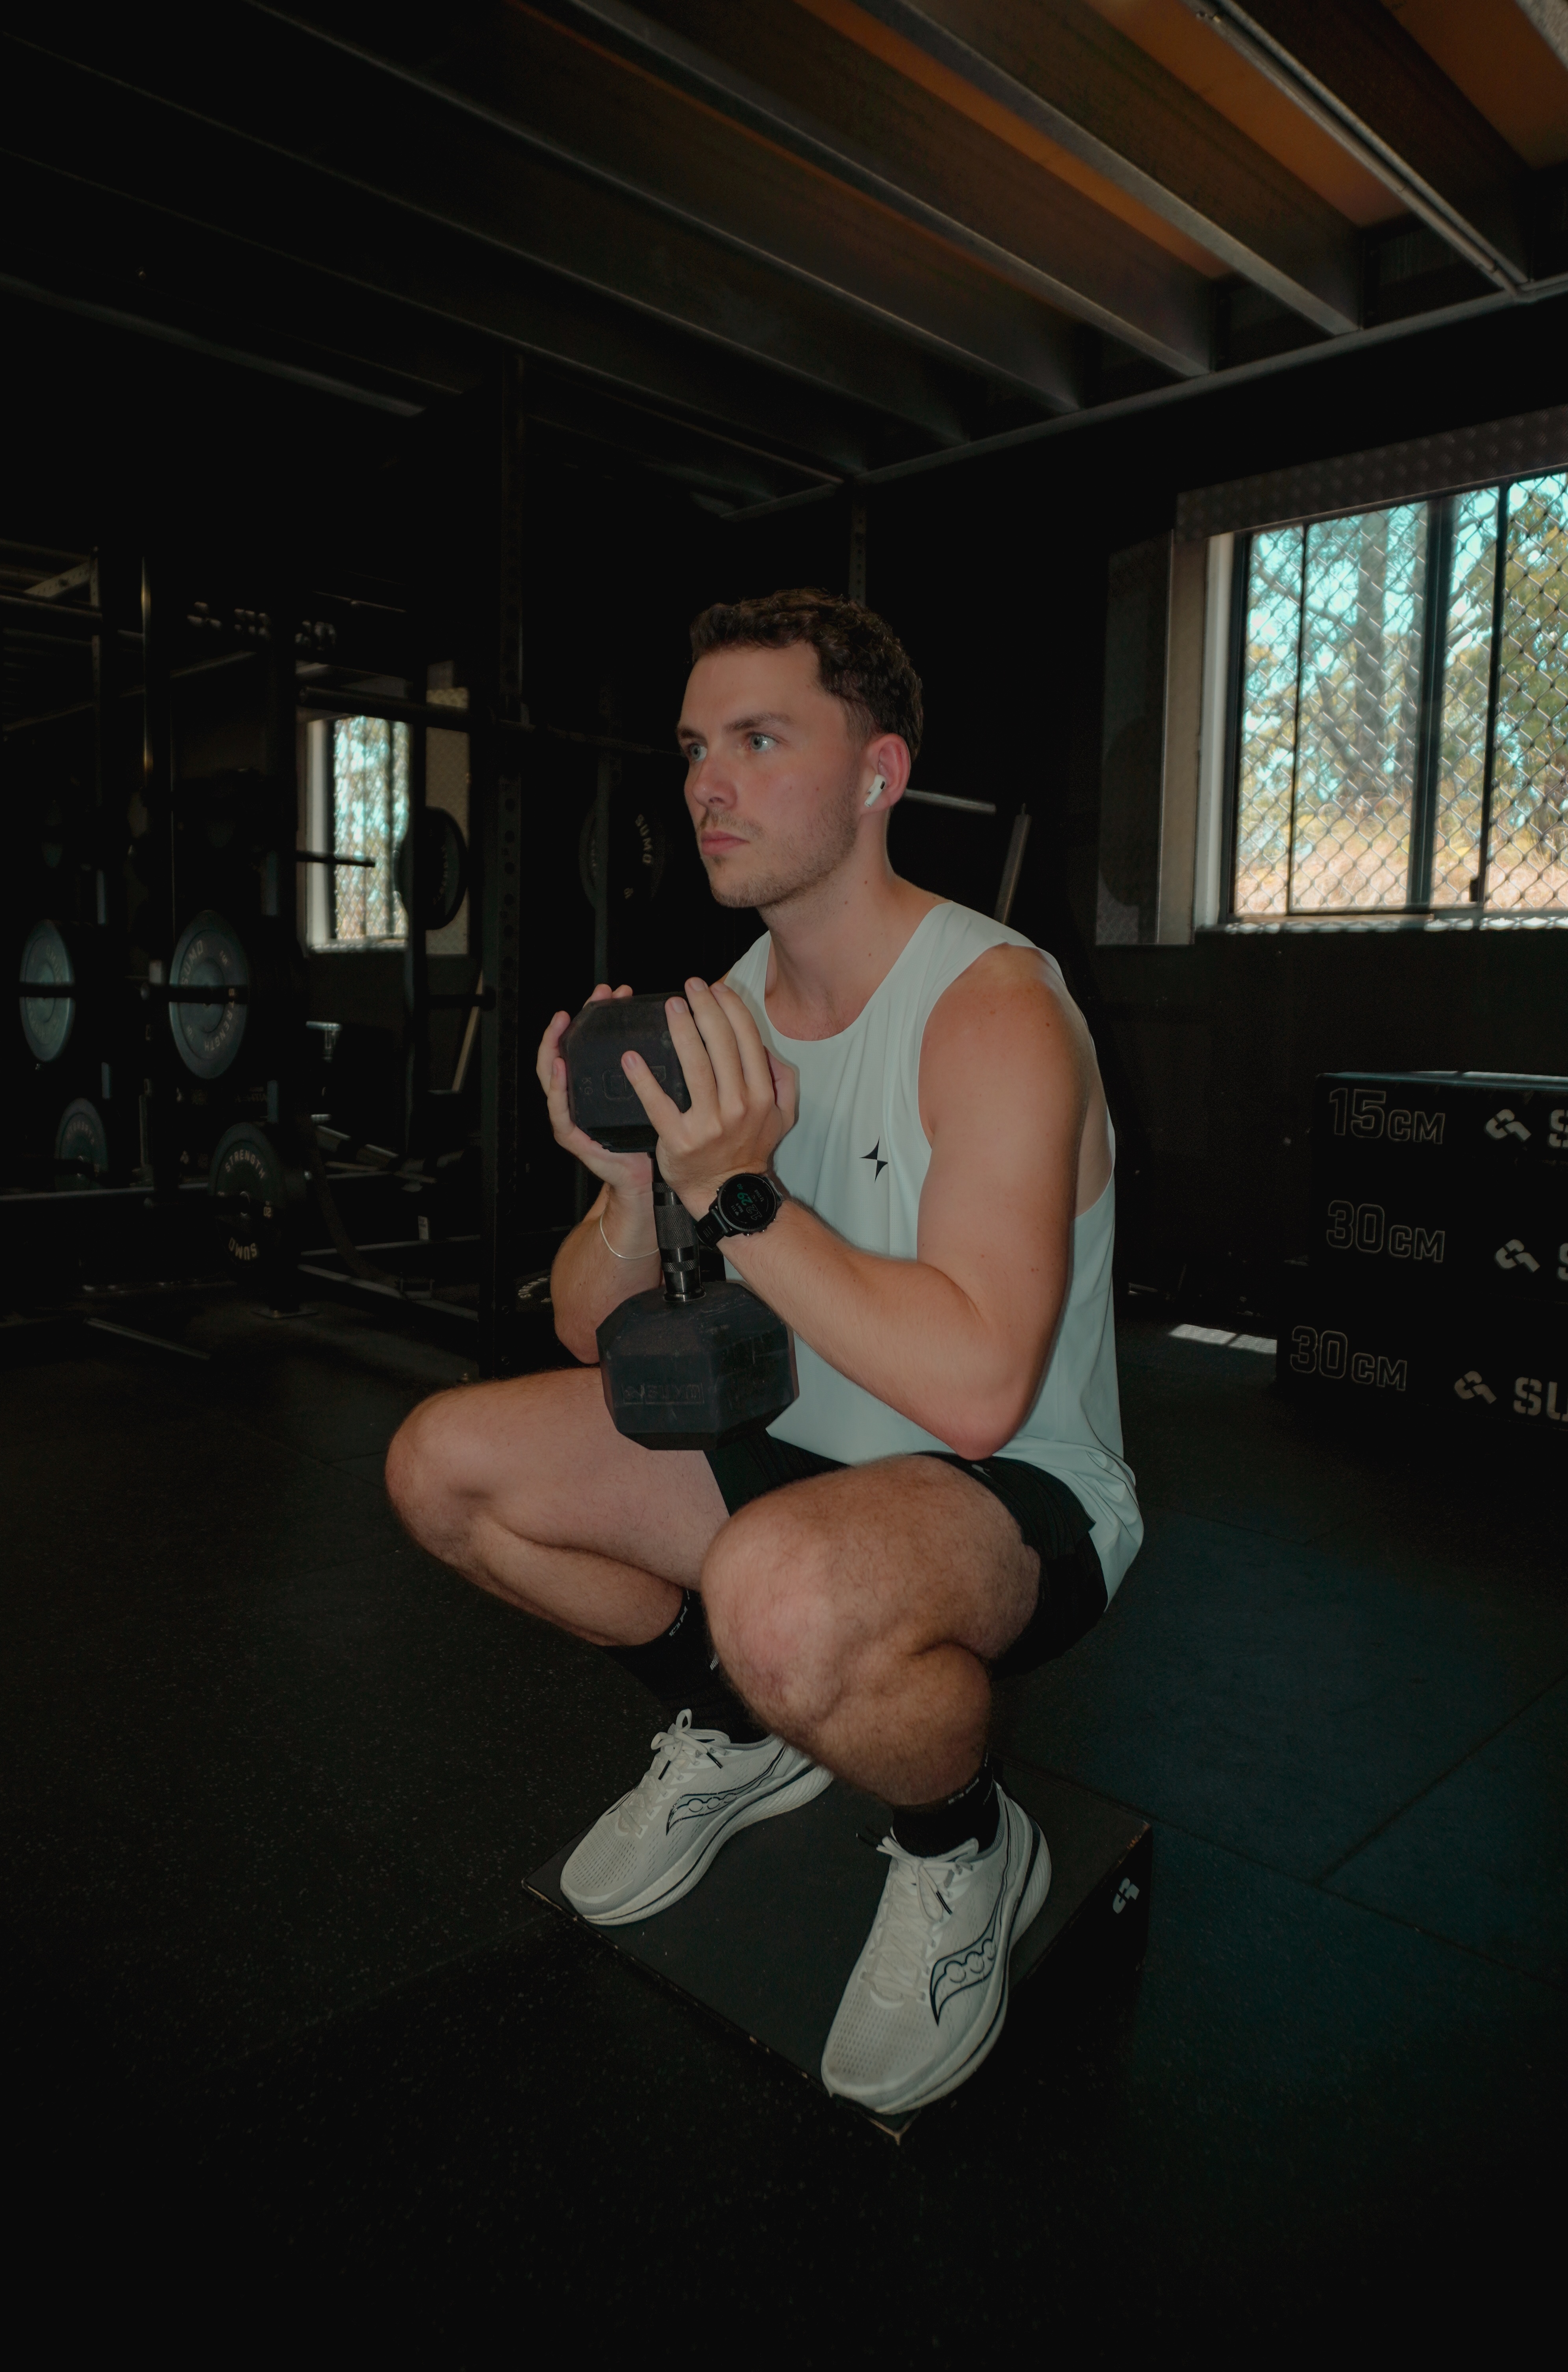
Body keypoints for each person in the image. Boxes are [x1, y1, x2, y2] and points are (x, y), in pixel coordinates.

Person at [386, 588, 1141, 2115]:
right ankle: (737, 1722)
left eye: (756, 740)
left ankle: (963, 1850)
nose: (704, 786)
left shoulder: (993, 1010)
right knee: (445, 1467)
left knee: (777, 1592)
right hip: (781, 1454)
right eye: (692, 749)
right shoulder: (722, 1014)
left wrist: (738, 1193)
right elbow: (592, 1324)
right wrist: (630, 1194)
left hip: (1007, 1492)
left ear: (877, 774)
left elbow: (985, 1389)